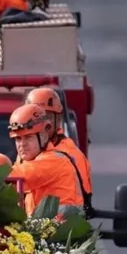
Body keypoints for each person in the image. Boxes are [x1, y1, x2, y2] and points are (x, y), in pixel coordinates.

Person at [25, 86, 93, 215]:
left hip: (59, 231)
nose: (42, 124)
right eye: (35, 119)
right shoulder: (32, 149)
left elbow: (19, 176)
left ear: (58, 120)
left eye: (47, 117)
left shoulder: (61, 154)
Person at [7, 104, 85, 216]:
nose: (22, 144)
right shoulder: (29, 161)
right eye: (18, 139)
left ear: (43, 136)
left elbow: (14, 175)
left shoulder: (52, 161)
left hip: (60, 232)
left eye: (28, 137)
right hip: (48, 231)